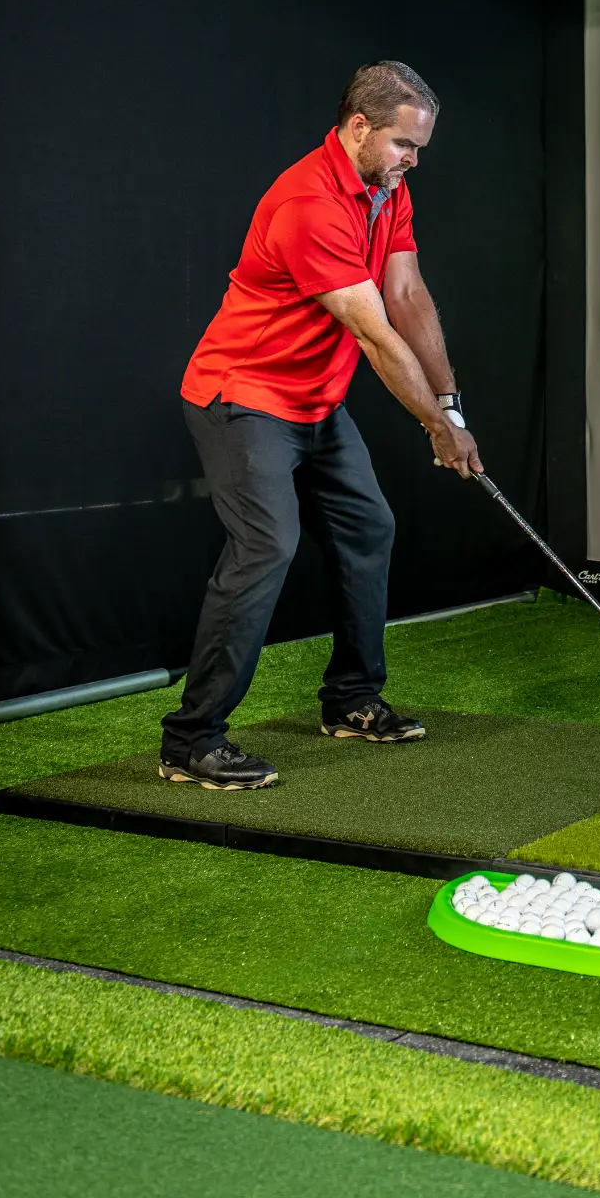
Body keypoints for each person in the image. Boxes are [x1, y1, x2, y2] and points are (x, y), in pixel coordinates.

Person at [160, 60, 482, 789]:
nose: (413, 161)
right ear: (359, 127)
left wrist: (452, 406)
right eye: (405, 144)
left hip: (315, 402)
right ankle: (191, 738)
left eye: (420, 148)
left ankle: (352, 700)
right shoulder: (308, 201)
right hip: (242, 396)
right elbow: (373, 334)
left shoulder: (385, 188)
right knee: (268, 545)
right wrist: (435, 427)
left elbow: (408, 297)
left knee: (368, 528)